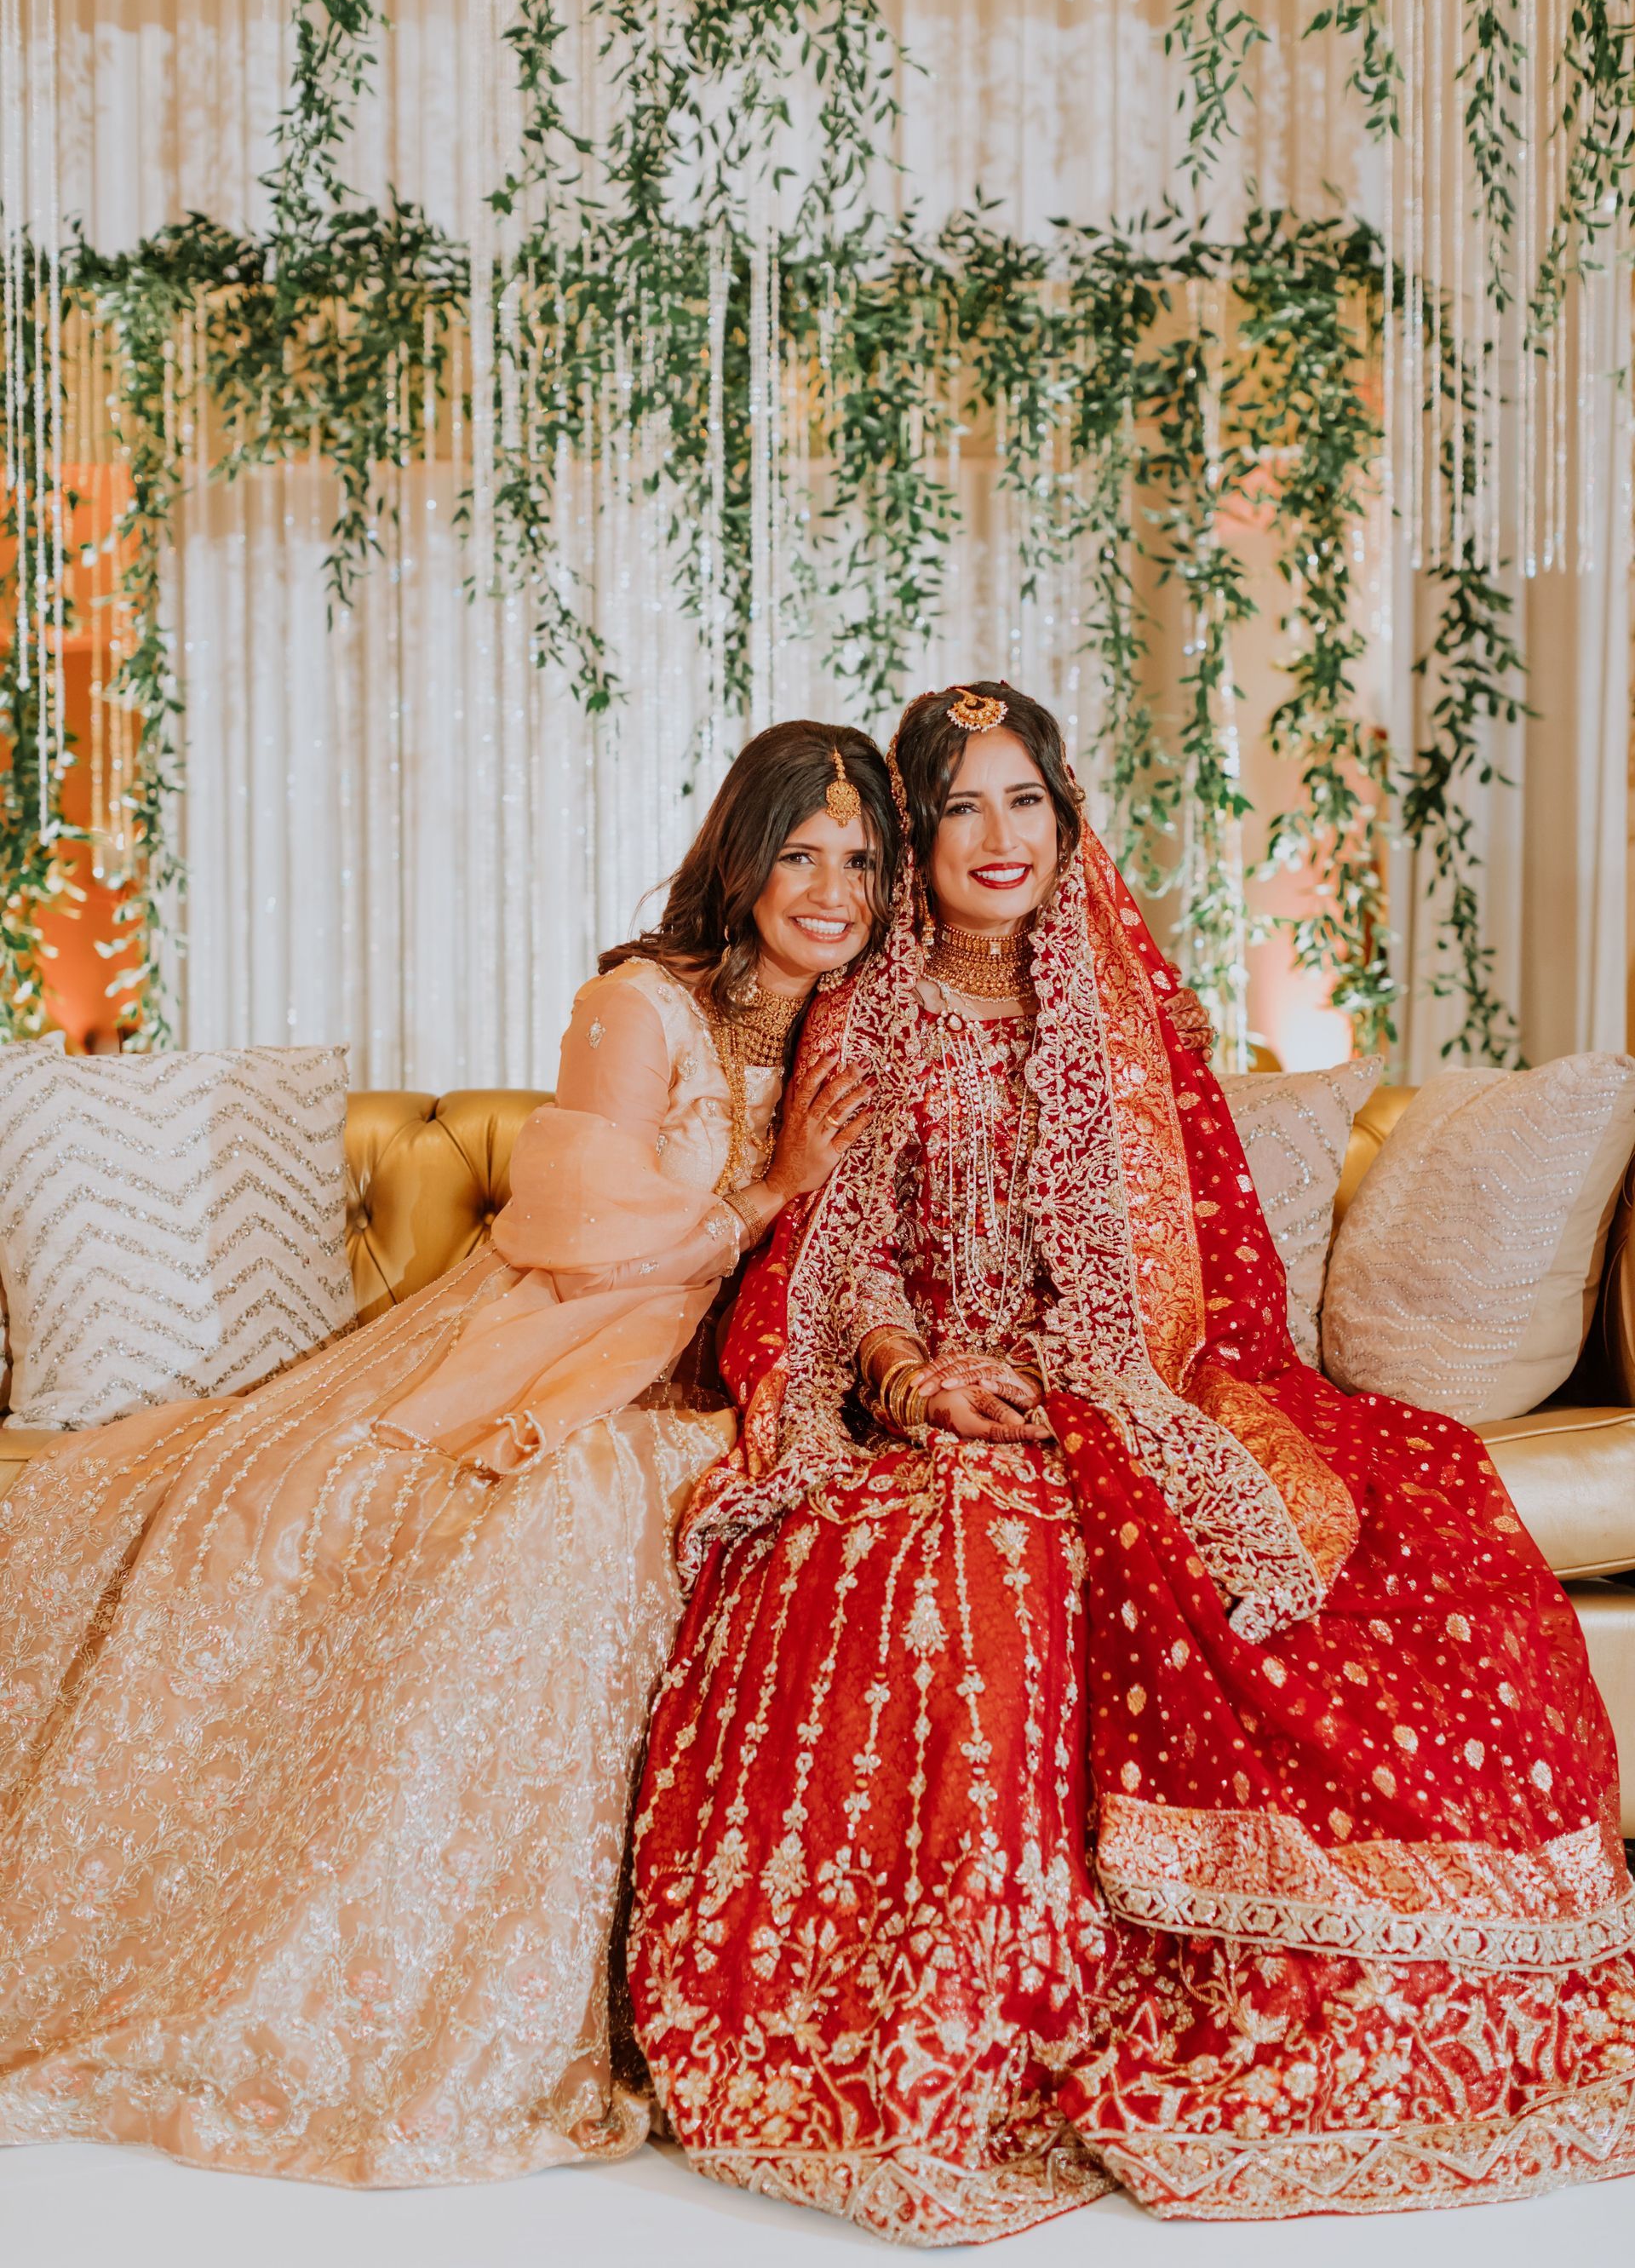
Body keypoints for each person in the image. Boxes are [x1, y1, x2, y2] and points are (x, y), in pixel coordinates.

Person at [628, 680, 1635, 2246]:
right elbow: (848, 1250)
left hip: (1128, 1385)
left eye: (1026, 800)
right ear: (915, 834)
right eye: (962, 806)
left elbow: (1219, 1272)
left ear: (1067, 815)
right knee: (954, 1547)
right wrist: (912, 1376)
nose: (1000, 836)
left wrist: (1152, 1400)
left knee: (1368, 1511)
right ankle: (974, 2027)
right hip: (951, 1399)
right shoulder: (870, 1011)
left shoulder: (1130, 1010)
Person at [0, 720, 892, 2187]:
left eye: (859, 860)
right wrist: (770, 1190)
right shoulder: (643, 1006)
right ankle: (376, 1984)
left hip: (719, 1368)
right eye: (800, 852)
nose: (832, 889)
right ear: (741, 859)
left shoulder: (853, 1020)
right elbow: (571, 1232)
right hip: (552, 1334)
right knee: (513, 1527)